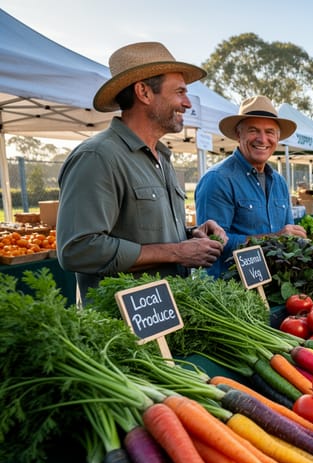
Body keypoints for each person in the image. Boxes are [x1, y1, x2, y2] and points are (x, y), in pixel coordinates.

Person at [56, 42, 227, 303]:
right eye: (179, 91)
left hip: (166, 315)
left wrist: (192, 235)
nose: (187, 102)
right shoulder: (98, 157)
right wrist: (176, 252)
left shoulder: (162, 158)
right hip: (121, 329)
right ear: (144, 92)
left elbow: (142, 230)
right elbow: (78, 249)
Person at [194, 95, 307, 277]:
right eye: (254, 130)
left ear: (277, 138)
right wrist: (275, 238)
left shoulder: (279, 182)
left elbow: (288, 236)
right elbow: (213, 245)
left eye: (270, 132)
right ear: (239, 135)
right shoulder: (218, 179)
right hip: (232, 291)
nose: (263, 139)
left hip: (273, 286)